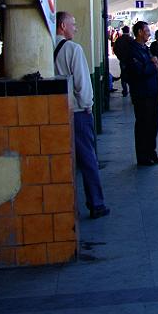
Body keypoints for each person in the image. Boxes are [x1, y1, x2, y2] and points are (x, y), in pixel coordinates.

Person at [53, 12, 109, 218]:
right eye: (73, 24)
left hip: (54, 113)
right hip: (77, 113)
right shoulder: (73, 49)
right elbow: (82, 85)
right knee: (88, 159)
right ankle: (96, 203)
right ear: (62, 26)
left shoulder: (44, 47)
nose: (75, 28)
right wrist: (88, 106)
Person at [126, 21, 158, 166]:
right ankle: (143, 156)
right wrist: (153, 65)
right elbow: (139, 71)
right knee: (143, 125)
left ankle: (151, 153)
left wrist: (152, 64)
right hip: (142, 94)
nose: (149, 33)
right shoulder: (133, 51)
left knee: (153, 125)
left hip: (152, 92)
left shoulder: (145, 49)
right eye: (147, 31)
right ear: (139, 32)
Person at [112, 26, 133, 97]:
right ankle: (131, 90)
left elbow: (115, 49)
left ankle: (125, 91)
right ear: (129, 31)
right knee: (131, 75)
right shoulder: (131, 39)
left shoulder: (119, 39)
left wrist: (119, 57)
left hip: (122, 60)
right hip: (130, 61)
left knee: (123, 75)